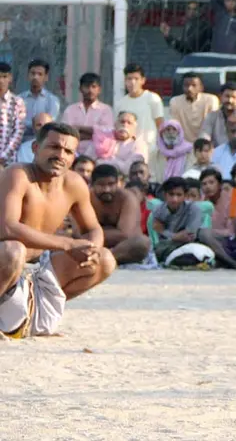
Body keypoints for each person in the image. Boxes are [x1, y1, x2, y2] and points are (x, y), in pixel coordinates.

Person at [0, 122, 116, 338]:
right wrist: (68, 244)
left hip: (36, 270)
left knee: (105, 260)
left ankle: (30, 312)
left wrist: (90, 250)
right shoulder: (17, 174)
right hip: (6, 260)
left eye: (68, 151)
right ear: (35, 148)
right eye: (54, 147)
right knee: (13, 251)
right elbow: (7, 227)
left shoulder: (75, 183)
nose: (60, 155)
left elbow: (93, 229)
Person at [89, 163, 151, 265]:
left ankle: (103, 258)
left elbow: (124, 235)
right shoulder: (86, 198)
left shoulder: (128, 199)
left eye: (111, 184)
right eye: (101, 185)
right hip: (91, 245)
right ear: (92, 185)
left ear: (118, 183)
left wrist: (93, 234)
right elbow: (78, 233)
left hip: (121, 248)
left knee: (143, 242)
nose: (106, 189)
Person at [114, 63, 164, 168]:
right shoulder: (120, 103)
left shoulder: (152, 98)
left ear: (143, 80)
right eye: (129, 79)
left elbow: (161, 125)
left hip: (151, 150)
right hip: (128, 152)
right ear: (124, 80)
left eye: (136, 79)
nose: (132, 82)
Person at [149, 177, 205, 265]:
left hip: (189, 244)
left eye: (179, 195)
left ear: (185, 196)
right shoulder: (158, 210)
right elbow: (158, 235)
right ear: (165, 195)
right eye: (171, 194)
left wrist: (169, 235)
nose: (175, 199)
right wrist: (176, 236)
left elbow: (190, 235)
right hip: (166, 246)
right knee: (158, 249)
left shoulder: (193, 209)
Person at [60, 72, 114, 160]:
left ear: (99, 89)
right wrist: (94, 134)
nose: (90, 90)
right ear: (80, 89)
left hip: (97, 156)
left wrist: (80, 128)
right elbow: (65, 133)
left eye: (93, 87)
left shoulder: (105, 110)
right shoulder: (70, 110)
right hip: (71, 154)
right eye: (86, 86)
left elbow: (106, 134)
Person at [201, 82, 236, 147]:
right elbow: (205, 136)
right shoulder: (212, 116)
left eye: (234, 97)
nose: (230, 100)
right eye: (227, 96)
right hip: (217, 153)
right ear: (220, 97)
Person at [169, 72, 219, 145]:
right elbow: (175, 126)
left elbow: (212, 125)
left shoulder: (211, 100)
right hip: (183, 146)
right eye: (186, 85)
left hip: (206, 145)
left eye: (194, 85)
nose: (189, 89)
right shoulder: (175, 101)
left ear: (201, 87)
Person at [19, 59, 61, 144]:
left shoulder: (53, 101)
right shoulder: (19, 99)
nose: (35, 77)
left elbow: (49, 125)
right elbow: (17, 124)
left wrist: (28, 125)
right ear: (28, 75)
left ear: (46, 77)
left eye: (40, 74)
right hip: (22, 142)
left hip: (44, 142)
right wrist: (37, 124)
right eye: (33, 73)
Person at [97, 111, 148, 176]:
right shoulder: (102, 140)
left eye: (129, 123)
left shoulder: (139, 145)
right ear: (115, 125)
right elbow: (89, 161)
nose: (125, 125)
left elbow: (129, 169)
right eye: (122, 122)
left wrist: (108, 160)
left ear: (134, 128)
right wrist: (121, 163)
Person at [0, 62, 25, 169]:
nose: (1, 81)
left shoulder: (17, 102)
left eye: (4, 77)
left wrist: (2, 157)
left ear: (10, 78)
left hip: (7, 161)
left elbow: (18, 133)